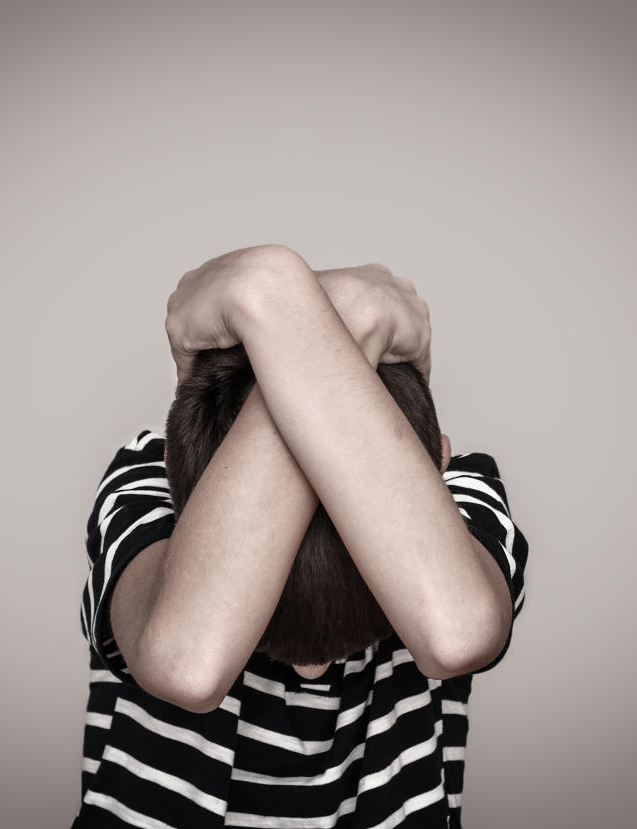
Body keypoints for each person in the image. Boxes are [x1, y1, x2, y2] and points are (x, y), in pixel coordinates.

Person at [71, 245, 529, 828]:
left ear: (439, 469)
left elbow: (455, 633)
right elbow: (188, 663)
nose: (312, 669)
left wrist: (281, 298)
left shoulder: (463, 503)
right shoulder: (147, 483)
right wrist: (340, 311)